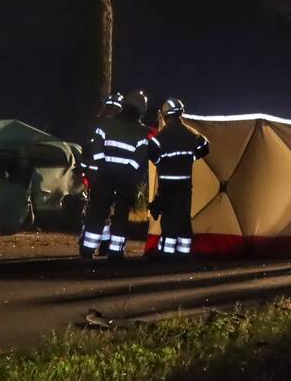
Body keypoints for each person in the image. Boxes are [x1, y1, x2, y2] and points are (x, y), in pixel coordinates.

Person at [78, 91, 150, 260]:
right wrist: (127, 173)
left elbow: (96, 148)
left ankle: (88, 249)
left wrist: (103, 167)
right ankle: (116, 251)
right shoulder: (141, 132)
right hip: (126, 180)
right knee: (121, 215)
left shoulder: (106, 124)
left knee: (98, 211)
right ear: (141, 110)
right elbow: (139, 158)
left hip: (104, 176)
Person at [147, 98, 210, 257]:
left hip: (167, 185)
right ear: (181, 113)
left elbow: (153, 156)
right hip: (185, 185)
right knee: (183, 217)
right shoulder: (191, 134)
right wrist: (191, 158)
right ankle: (183, 252)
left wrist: (163, 163)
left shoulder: (160, 138)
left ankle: (167, 253)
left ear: (166, 115)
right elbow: (205, 147)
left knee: (168, 218)